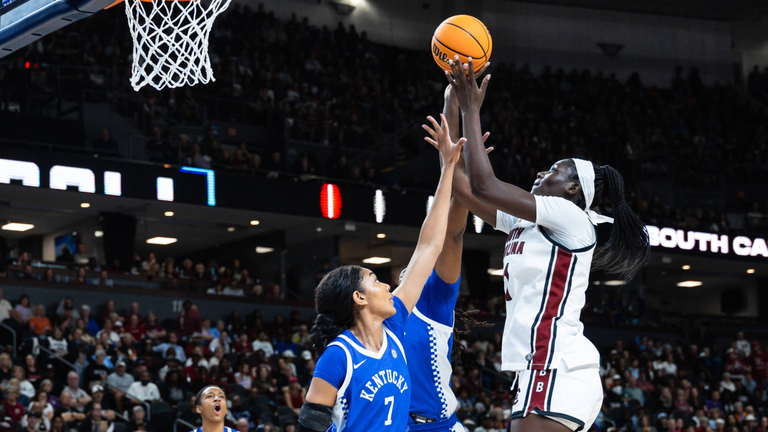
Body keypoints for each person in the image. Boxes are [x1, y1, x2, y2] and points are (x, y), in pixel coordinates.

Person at [444, 57, 650, 432]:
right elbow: (462, 186)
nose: (542, 172)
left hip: (556, 365)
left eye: (554, 170)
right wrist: (452, 103)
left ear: (574, 189)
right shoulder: (526, 221)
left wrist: (473, 109)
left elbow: (484, 185)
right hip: (541, 367)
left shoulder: (570, 217)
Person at [296, 119, 462, 432]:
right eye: (374, 281)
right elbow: (309, 426)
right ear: (359, 298)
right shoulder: (338, 356)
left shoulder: (395, 326)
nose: (387, 285)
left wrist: (448, 169)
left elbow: (429, 246)